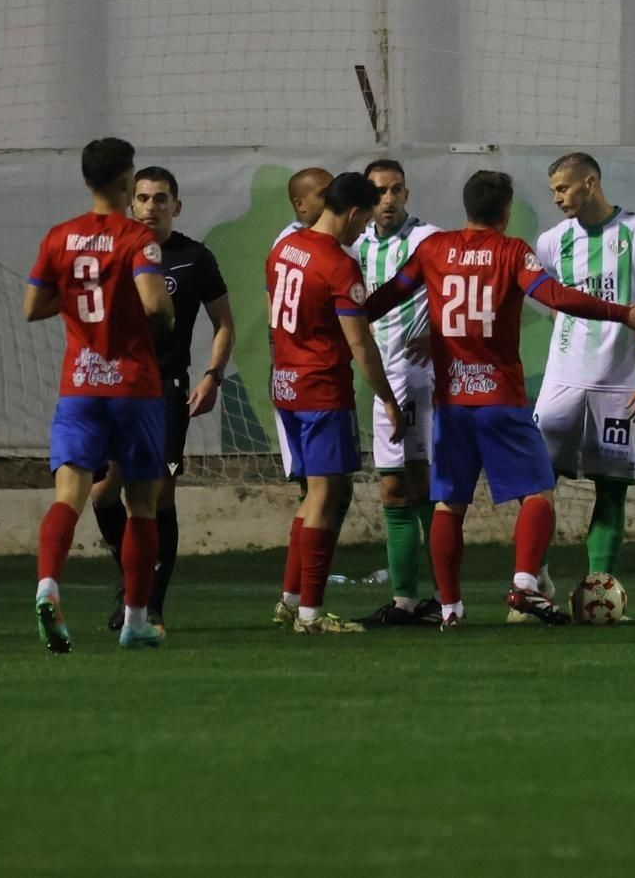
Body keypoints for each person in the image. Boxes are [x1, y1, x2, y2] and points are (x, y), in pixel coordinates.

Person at [363, 170, 635, 628]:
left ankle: (449, 607)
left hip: (452, 404)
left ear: (467, 207)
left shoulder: (432, 249)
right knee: (538, 493)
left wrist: (338, 316)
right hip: (500, 399)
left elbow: (387, 297)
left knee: (448, 505)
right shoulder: (512, 252)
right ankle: (525, 584)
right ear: (505, 211)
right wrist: (625, 313)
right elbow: (557, 297)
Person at [23, 136, 175, 652]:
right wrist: (161, 314)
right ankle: (135, 620)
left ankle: (48, 586)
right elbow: (155, 305)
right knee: (142, 504)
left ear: (87, 179)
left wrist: (79, 300)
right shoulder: (139, 239)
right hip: (133, 385)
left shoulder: (59, 237)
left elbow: (32, 306)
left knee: (69, 494)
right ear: (128, 180)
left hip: (80, 386)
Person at [92, 166, 235, 633]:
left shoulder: (194, 258)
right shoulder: (112, 252)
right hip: (113, 388)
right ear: (130, 204)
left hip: (165, 391)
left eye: (161, 198)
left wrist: (212, 375)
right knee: (102, 493)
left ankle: (150, 603)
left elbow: (224, 324)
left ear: (177, 206)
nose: (152, 206)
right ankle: (132, 578)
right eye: (144, 197)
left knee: (157, 494)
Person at [267, 172, 405, 634]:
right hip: (321, 390)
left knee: (320, 493)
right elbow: (361, 344)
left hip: (286, 384)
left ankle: (289, 600)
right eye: (363, 222)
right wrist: (388, 398)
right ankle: (310, 613)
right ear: (352, 213)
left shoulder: (284, 248)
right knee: (327, 495)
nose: (362, 231)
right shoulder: (338, 265)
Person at [533, 152, 635, 590]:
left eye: (563, 188)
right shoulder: (552, 242)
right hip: (561, 383)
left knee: (611, 489)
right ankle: (535, 579)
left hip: (618, 385)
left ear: (590, 183)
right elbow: (552, 306)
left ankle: (599, 588)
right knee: (538, 483)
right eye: (553, 189)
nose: (556, 198)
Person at [352, 159, 443, 627]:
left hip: (414, 377)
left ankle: (434, 600)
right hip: (378, 378)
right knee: (400, 487)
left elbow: (460, 294)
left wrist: (440, 335)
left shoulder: (428, 241)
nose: (387, 199)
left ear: (406, 194)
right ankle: (417, 601)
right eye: (379, 191)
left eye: (396, 190)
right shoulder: (357, 244)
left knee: (409, 486)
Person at [271, 166, 333, 490]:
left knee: (317, 483)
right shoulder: (307, 244)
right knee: (325, 486)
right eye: (325, 193)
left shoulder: (286, 242)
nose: (334, 198)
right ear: (300, 204)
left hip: (291, 372)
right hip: (314, 375)